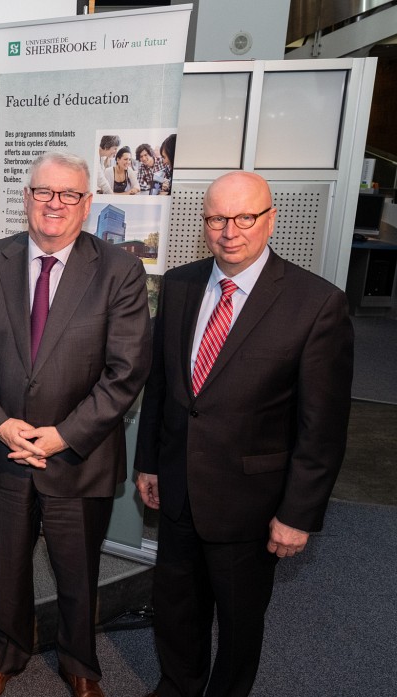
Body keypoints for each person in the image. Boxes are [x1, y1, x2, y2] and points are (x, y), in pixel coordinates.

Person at [134, 171, 353, 697]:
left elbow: (321, 427)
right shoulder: (181, 284)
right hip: (180, 491)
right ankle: (178, 687)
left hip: (252, 507)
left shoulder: (316, 304)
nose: (229, 231)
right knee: (177, 607)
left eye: (243, 217)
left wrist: (298, 515)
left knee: (238, 623)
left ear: (270, 219)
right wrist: (148, 463)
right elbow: (161, 385)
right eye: (215, 218)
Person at [0, 152, 151, 697]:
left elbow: (126, 369)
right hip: (6, 453)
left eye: (68, 195)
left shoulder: (119, 269)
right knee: (6, 568)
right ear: (25, 198)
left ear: (87, 204)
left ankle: (80, 663)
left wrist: (63, 434)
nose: (55, 204)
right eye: (44, 192)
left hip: (78, 456)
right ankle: (3, 655)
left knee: (78, 572)